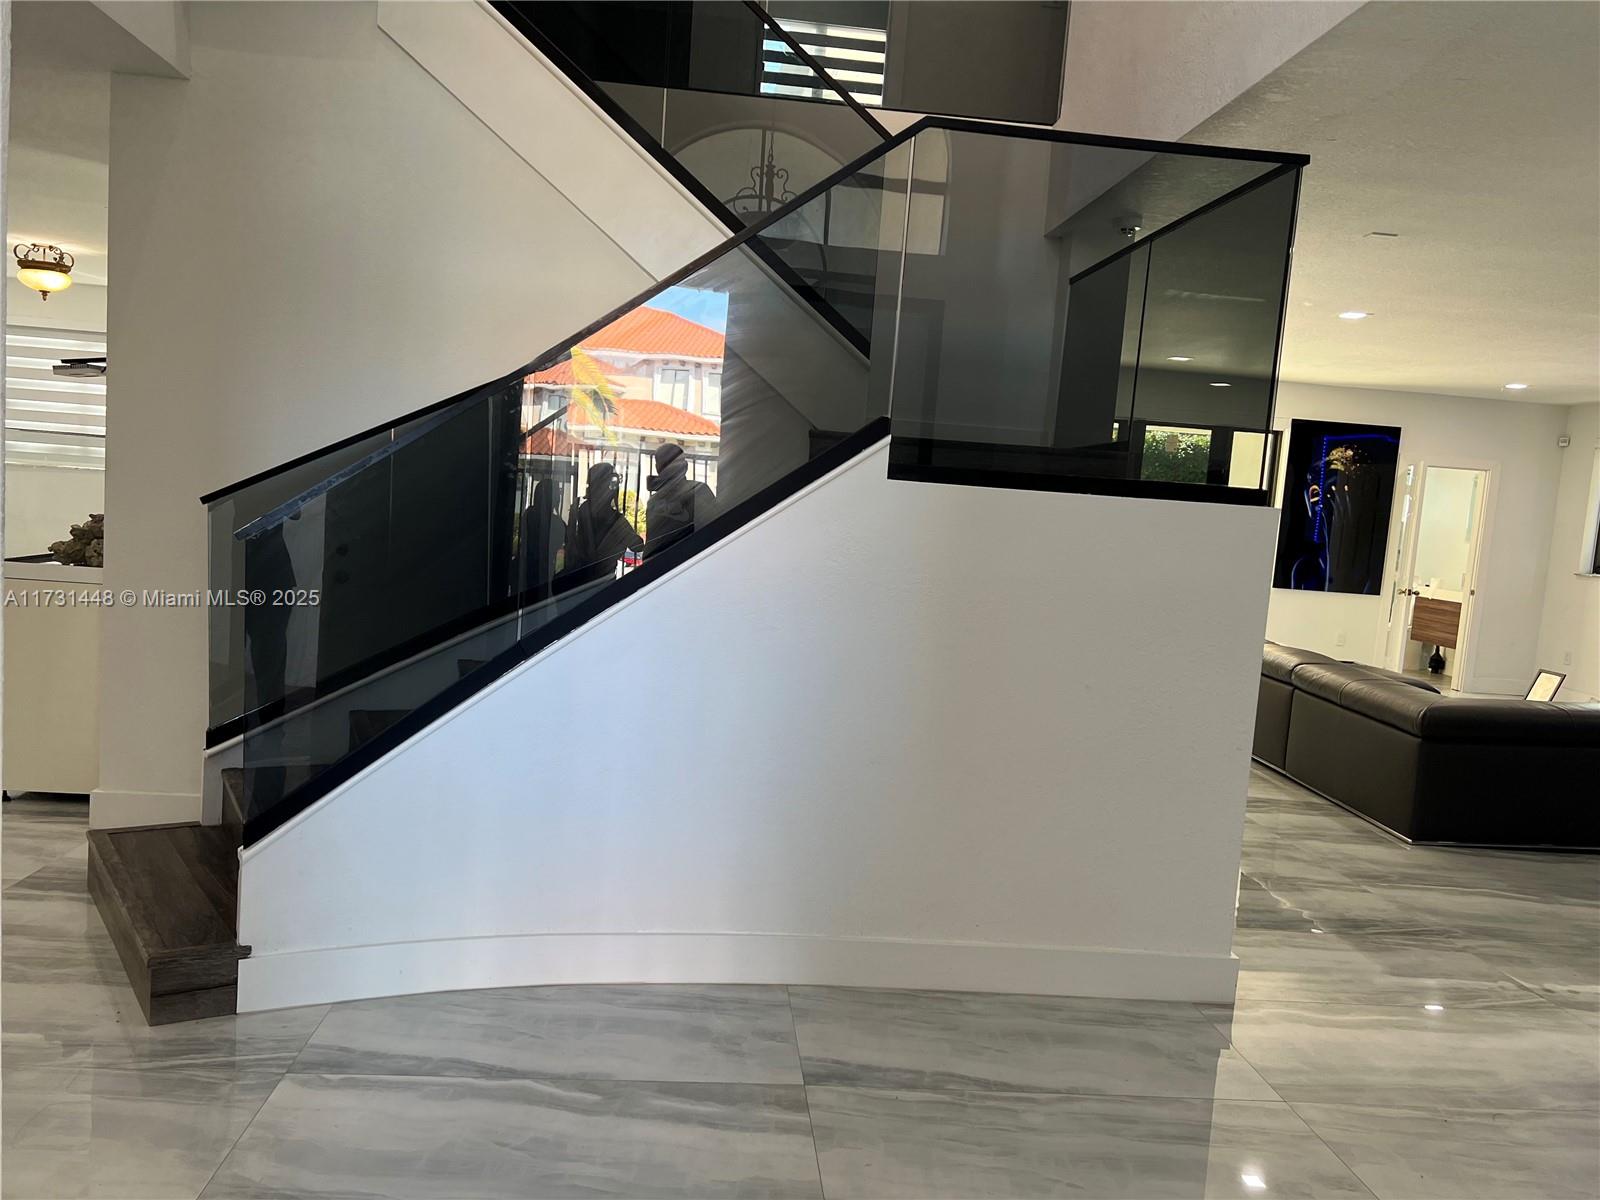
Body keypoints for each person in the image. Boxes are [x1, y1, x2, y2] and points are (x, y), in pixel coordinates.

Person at [563, 461, 641, 574]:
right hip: (599, 578)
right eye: (611, 484)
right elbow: (638, 546)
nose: (613, 489)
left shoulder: (582, 510)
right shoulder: (611, 518)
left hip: (584, 577)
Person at [645, 442, 719, 559]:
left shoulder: (654, 501)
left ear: (657, 468)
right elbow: (714, 531)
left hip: (679, 563)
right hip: (689, 562)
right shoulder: (698, 490)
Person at [518, 478, 566, 595]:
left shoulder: (528, 515)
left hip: (525, 571)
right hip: (544, 573)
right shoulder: (557, 523)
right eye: (557, 494)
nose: (558, 498)